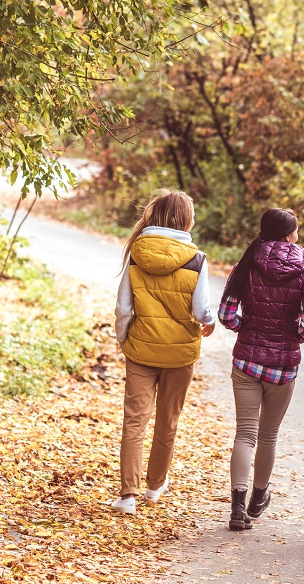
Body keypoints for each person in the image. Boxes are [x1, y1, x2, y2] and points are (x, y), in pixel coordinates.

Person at [112, 189, 216, 515]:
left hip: (140, 351)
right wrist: (210, 322)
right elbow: (202, 311)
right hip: (180, 354)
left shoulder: (136, 254)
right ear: (184, 219)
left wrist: (123, 340)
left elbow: (123, 308)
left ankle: (127, 495)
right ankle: (154, 487)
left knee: (134, 422)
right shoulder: (196, 259)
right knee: (167, 422)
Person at [218, 208, 304, 531]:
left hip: (246, 361)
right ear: (290, 234)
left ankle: (237, 507)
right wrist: (292, 337)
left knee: (244, 434)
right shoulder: (302, 269)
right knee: (268, 435)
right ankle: (258, 497)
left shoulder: (247, 263)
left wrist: (246, 328)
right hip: (283, 366)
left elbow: (226, 314)